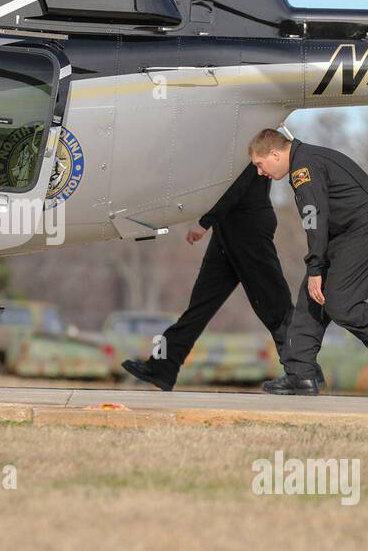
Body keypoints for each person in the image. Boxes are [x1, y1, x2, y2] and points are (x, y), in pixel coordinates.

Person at [247, 128, 368, 397]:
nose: (260, 173)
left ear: (274, 154)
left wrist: (315, 267)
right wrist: (316, 270)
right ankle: (301, 375)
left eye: (259, 165)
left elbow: (315, 218)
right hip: (348, 232)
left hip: (366, 229)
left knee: (340, 303)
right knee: (312, 299)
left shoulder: (303, 168)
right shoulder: (306, 158)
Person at [122, 161, 294, 392]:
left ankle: (303, 371)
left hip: (249, 232)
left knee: (275, 305)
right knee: (199, 307)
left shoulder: (247, 142)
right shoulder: (228, 143)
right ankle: (162, 367)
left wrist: (204, 224)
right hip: (226, 232)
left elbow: (235, 189)